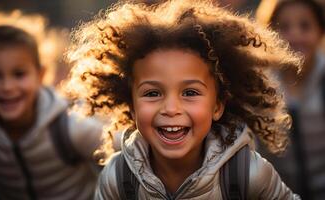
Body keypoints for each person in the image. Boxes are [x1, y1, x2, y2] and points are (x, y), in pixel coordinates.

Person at [64, 0, 302, 199]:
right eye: (152, 93)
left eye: (189, 93)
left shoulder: (247, 173)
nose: (171, 108)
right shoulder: (118, 178)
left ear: (217, 105)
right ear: (132, 107)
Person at [0, 25, 103, 199]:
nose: (7, 87)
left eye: (19, 74)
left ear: (40, 76)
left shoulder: (69, 126)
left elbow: (124, 151)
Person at [258, 0, 325, 199]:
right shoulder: (260, 85)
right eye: (284, 27)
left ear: (321, 31)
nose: (295, 35)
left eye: (305, 26)